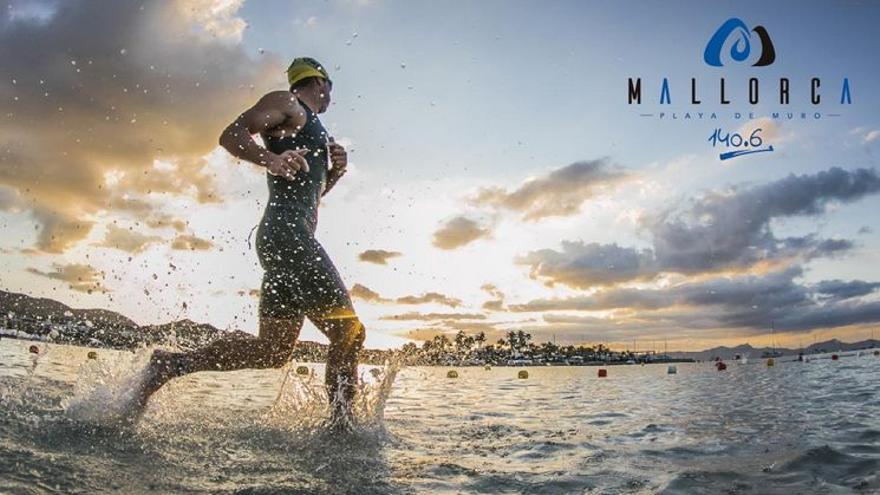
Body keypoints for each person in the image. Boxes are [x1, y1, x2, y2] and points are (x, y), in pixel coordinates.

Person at [132, 57, 365, 425]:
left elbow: (312, 198)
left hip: (285, 238)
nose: (330, 94)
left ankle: (172, 364)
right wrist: (269, 159)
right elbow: (232, 134)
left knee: (273, 351)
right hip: (289, 237)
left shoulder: (315, 131)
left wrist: (336, 170)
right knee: (349, 334)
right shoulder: (290, 104)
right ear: (321, 83)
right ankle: (343, 432)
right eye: (329, 86)